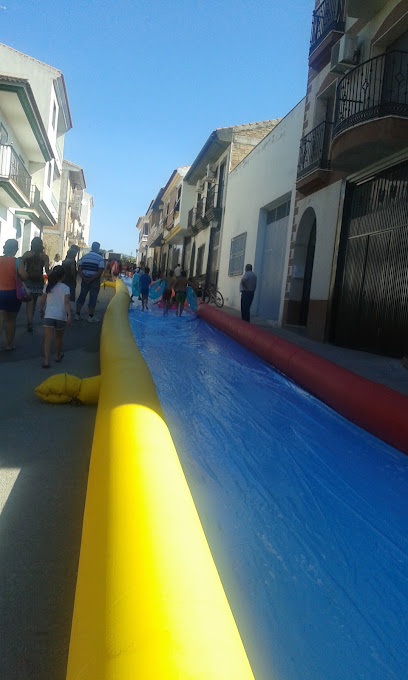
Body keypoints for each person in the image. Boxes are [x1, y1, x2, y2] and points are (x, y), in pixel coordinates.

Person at [38, 265, 71, 368]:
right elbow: (66, 303)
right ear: (63, 276)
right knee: (58, 338)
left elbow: (42, 300)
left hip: (49, 315)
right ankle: (57, 355)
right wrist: (69, 315)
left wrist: (41, 310)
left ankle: (46, 361)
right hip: (61, 316)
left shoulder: (48, 286)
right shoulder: (66, 288)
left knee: (47, 339)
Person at [0, 239, 27, 350]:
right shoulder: (17, 262)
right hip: (12, 294)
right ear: (16, 250)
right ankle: (8, 345)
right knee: (11, 320)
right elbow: (24, 276)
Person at [22, 236, 50, 332]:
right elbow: (47, 270)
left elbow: (21, 266)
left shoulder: (27, 254)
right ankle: (31, 319)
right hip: (38, 280)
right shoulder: (44, 256)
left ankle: (29, 321)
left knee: (29, 302)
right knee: (33, 301)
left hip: (28, 279)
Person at [75, 241, 105, 322]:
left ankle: (77, 314)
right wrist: (91, 279)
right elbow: (100, 271)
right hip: (94, 281)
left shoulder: (84, 257)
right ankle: (90, 317)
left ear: (91, 247)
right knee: (93, 298)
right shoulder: (100, 258)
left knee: (82, 296)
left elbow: (79, 269)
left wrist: (84, 278)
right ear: (98, 248)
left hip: (85, 280)